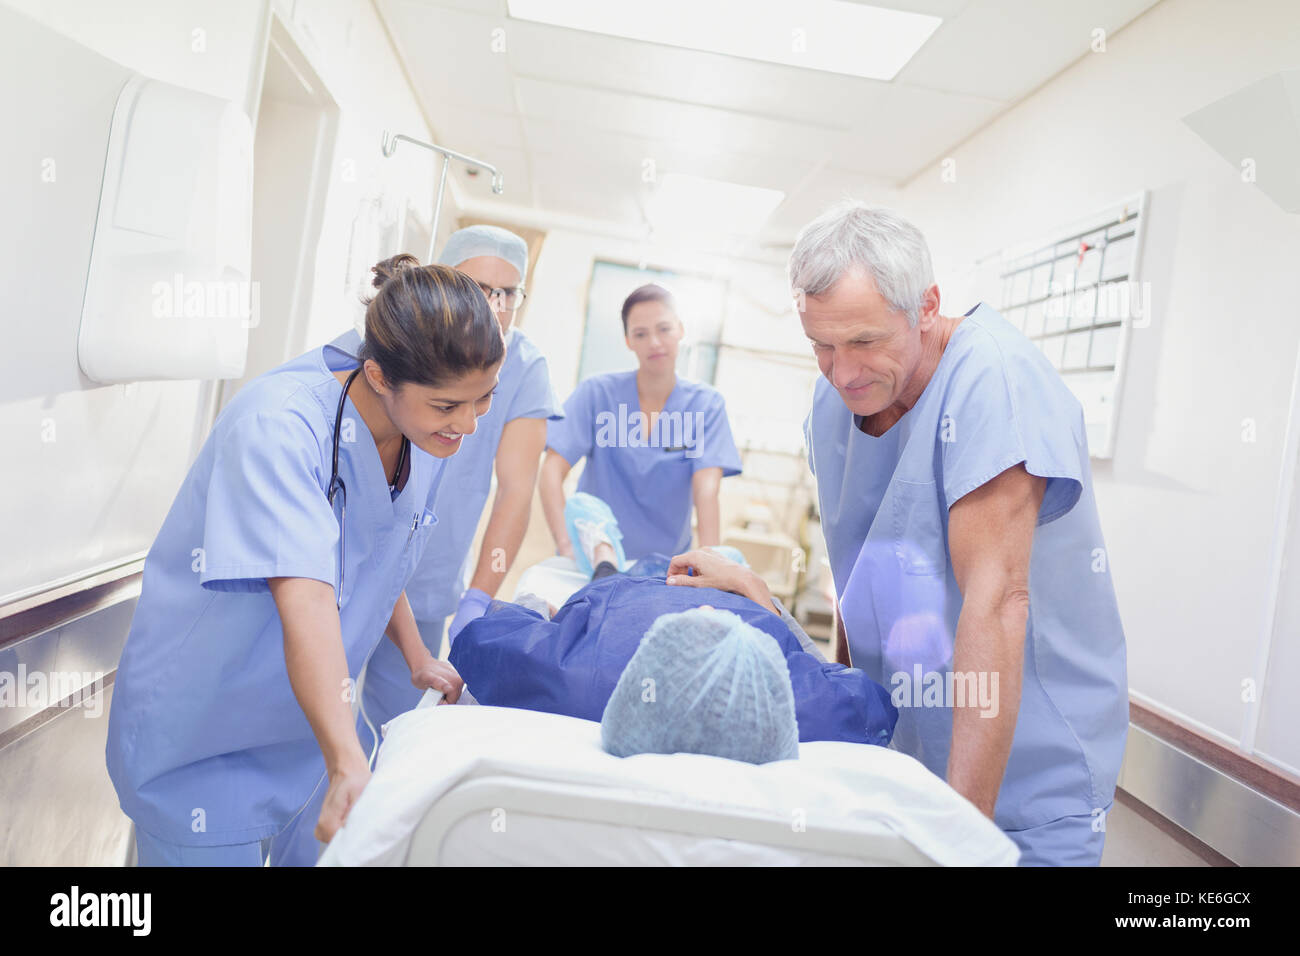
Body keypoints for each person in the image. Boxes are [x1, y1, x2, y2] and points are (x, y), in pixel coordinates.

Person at [106, 255, 502, 866]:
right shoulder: (280, 427)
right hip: (205, 743)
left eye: (484, 401)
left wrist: (416, 655)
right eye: (448, 406)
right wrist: (347, 758)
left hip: (309, 741)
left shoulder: (420, 432)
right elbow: (309, 594)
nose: (468, 426)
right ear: (377, 374)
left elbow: (377, 549)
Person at [792, 201, 1129, 866]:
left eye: (863, 341)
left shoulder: (993, 383)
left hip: (1022, 792)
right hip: (907, 765)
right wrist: (854, 731)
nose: (843, 373)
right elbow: (859, 577)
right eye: (821, 346)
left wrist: (958, 842)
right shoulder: (835, 405)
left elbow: (997, 602)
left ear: (926, 305)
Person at [448, 502, 897, 748]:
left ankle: (603, 548)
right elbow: (867, 701)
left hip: (630, 599)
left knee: (621, 572)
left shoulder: (581, 671)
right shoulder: (793, 697)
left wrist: (537, 609)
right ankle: (717, 562)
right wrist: (758, 595)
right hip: (738, 599)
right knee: (718, 562)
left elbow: (477, 635)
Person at [539, 284, 742, 565]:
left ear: (681, 330)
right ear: (628, 341)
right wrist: (566, 545)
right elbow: (551, 470)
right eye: (641, 334)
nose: (655, 343)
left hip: (666, 568)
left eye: (664, 329)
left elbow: (706, 492)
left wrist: (711, 565)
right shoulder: (597, 394)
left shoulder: (706, 406)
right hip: (595, 562)